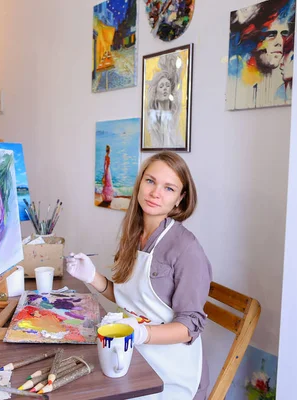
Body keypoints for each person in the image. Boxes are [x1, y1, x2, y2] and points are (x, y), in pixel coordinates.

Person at [66, 151, 213, 399]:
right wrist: (91, 276)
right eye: (150, 181)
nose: (156, 192)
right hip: (136, 356)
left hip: (171, 373)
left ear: (180, 199)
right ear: (140, 183)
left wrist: (142, 333)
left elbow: (190, 328)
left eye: (169, 188)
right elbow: (130, 301)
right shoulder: (134, 234)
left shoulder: (186, 249)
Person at [146, 59, 183, 148]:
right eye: (161, 86)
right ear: (155, 92)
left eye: (167, 85)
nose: (165, 88)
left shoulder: (175, 114)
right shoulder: (152, 118)